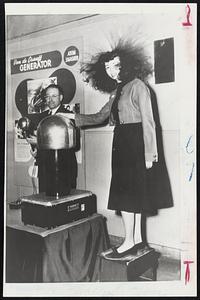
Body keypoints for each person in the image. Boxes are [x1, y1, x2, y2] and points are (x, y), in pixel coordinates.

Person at [71, 39, 173, 258]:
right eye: (107, 67)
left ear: (127, 65)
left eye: (115, 65)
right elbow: (100, 116)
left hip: (135, 143)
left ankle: (128, 242)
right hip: (122, 142)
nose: (111, 70)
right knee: (131, 194)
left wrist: (149, 154)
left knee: (128, 195)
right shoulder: (118, 90)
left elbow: (149, 122)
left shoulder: (138, 86)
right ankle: (136, 240)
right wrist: (72, 117)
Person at [26, 83, 78, 192]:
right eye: (47, 96)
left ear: (61, 97)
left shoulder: (69, 116)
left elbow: (72, 143)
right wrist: (35, 149)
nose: (50, 99)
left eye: (54, 96)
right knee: (45, 198)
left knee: (63, 200)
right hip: (45, 167)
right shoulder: (42, 117)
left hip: (64, 167)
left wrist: (40, 141)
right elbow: (37, 138)